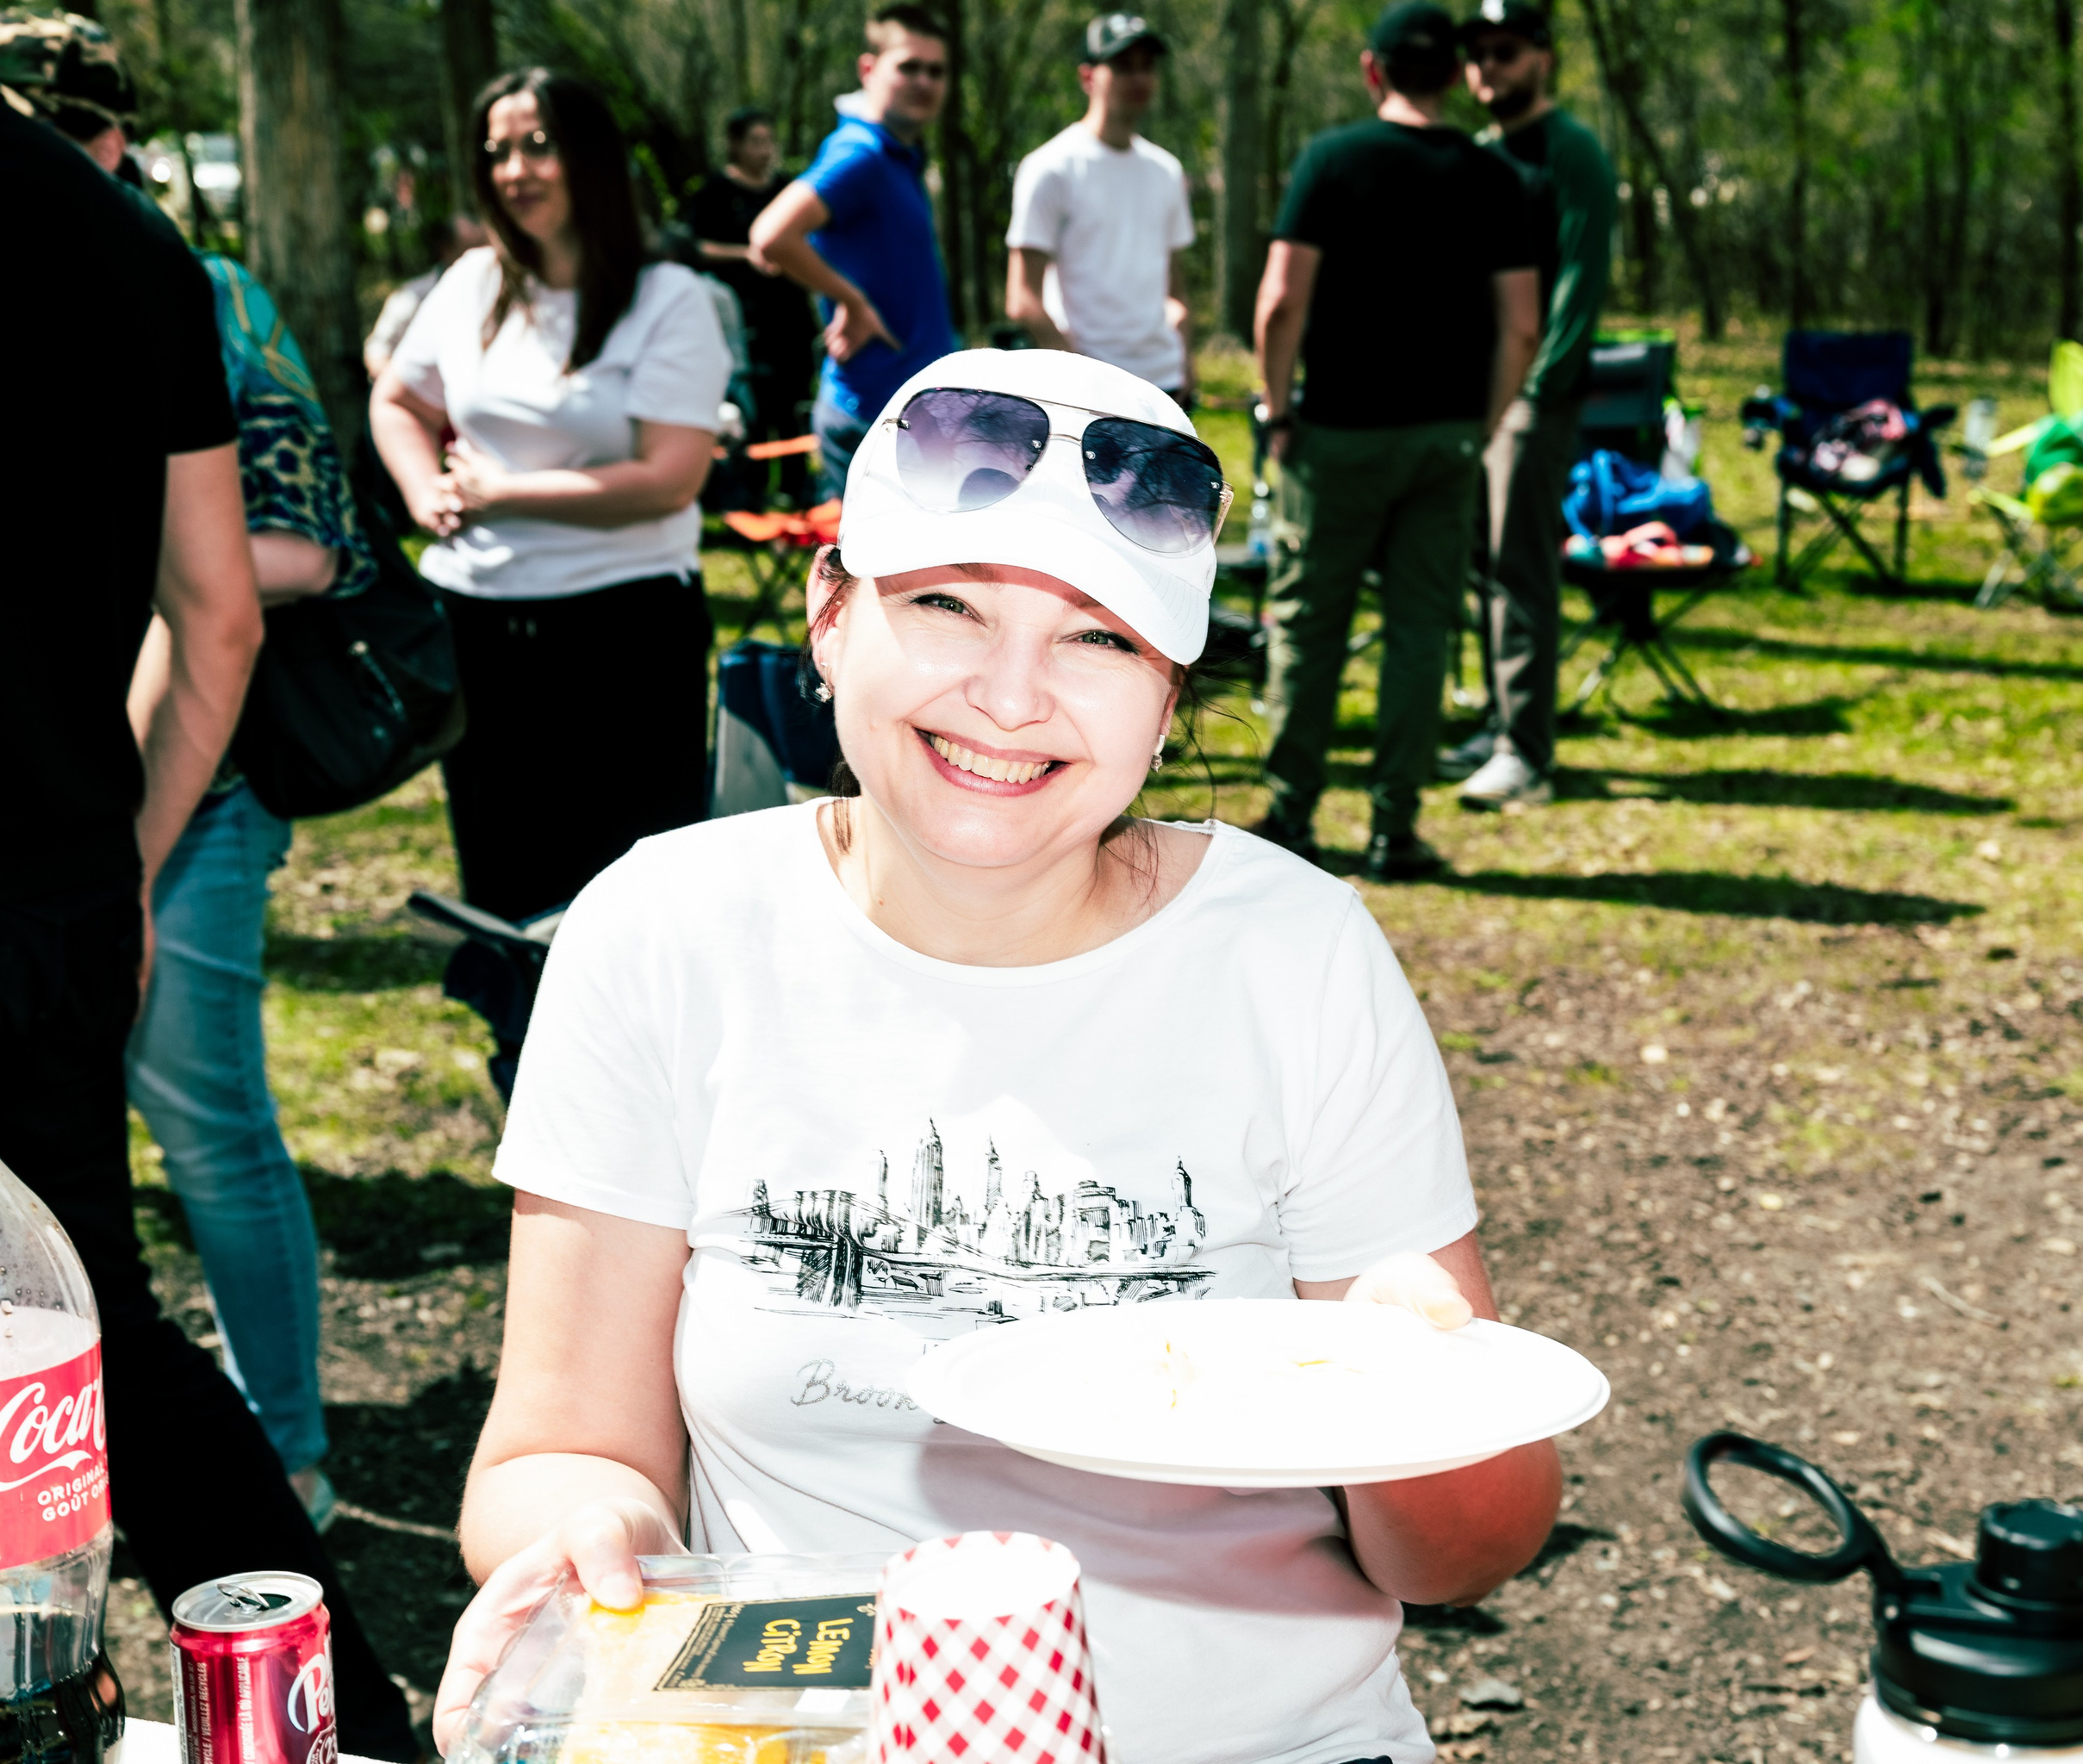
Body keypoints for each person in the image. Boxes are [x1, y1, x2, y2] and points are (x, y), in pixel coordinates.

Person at [427, 345, 1562, 1764]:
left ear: (1169, 695)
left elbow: (1468, 1553)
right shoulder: (664, 930)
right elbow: (559, 1448)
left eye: (1098, 637)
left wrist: (1414, 1395)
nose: (1012, 696)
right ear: (830, 616)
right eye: (950, 605)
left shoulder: (1297, 954)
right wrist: (587, 1536)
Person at [0, 22, 420, 1758]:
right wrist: (138, 849)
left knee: (74, 1326)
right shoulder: (130, 241)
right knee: (83, 1316)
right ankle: (346, 1719)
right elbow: (221, 615)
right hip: (53, 892)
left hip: (47, 890)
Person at [126, 248, 379, 1535]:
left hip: (199, 782)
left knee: (210, 1132)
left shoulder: (203, 294)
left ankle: (285, 1457)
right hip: (45, 792)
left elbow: (311, 547)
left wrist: (153, 557)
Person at [370, 68, 733, 923]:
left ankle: (634, 1058)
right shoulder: (469, 284)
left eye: (539, 145)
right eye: (496, 151)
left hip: (624, 633)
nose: (513, 170)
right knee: (505, 880)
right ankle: (517, 1052)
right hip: (481, 627)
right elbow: (397, 399)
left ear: (592, 158)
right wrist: (426, 490)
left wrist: (504, 491)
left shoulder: (668, 299)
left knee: (632, 897)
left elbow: (668, 479)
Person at [1250, 1, 1539, 880]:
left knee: (1310, 624)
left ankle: (1293, 814)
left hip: (1334, 435)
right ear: (1452, 75)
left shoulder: (1331, 161)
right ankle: (1393, 828)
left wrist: (1275, 408)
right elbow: (1520, 327)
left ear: (1373, 71)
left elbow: (1280, 303)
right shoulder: (1494, 179)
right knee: (1419, 633)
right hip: (1443, 442)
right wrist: (1480, 426)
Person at [1442, 0, 1614, 811]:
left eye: (1504, 51)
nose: (1487, 67)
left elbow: (1579, 280)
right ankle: (1499, 720)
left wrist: (1538, 392)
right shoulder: (1479, 155)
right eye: (1476, 53)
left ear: (1541, 56)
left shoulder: (1571, 153)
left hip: (1533, 398)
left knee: (1521, 569)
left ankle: (1527, 754)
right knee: (1478, 563)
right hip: (1468, 396)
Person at [749, 5, 958, 500]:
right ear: (869, 70)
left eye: (937, 70)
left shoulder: (899, 156)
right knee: (873, 577)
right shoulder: (860, 152)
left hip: (910, 413)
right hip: (874, 415)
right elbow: (771, 236)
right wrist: (853, 301)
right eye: (908, 66)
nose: (924, 82)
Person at [1004, 13, 1195, 401]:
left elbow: (1175, 288)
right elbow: (1022, 299)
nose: (1138, 79)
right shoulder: (1050, 168)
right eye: (1123, 66)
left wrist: (1185, 358)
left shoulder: (1167, 171)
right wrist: (1078, 377)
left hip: (1164, 384)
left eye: (1147, 67)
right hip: (1089, 392)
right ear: (1088, 76)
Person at [680, 108, 822, 507]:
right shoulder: (714, 193)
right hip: (743, 322)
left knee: (793, 407)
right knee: (754, 412)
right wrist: (747, 254)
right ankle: (751, 499)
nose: (765, 150)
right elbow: (695, 247)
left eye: (769, 141)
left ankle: (797, 495)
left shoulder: (785, 188)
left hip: (790, 320)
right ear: (736, 145)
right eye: (756, 141)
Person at [364, 211, 491, 381]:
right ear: (445, 250)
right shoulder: (415, 296)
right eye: (472, 249)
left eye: (487, 248)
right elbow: (377, 350)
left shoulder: (501, 293)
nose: (484, 258)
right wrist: (399, 392)